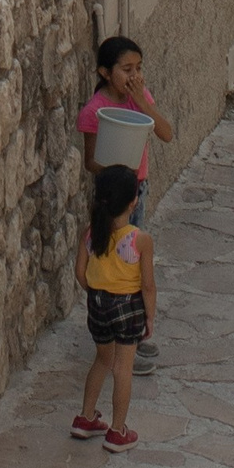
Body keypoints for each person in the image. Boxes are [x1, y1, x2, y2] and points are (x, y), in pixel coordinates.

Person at [78, 36, 173, 372]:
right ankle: (117, 332)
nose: (134, 75)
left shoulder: (140, 100)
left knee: (133, 259)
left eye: (138, 69)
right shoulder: (95, 111)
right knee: (115, 260)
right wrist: (117, 167)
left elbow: (166, 133)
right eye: (126, 69)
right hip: (111, 195)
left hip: (137, 191)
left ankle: (132, 332)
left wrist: (143, 103)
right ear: (105, 72)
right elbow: (90, 161)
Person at [72, 162, 153, 450]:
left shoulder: (91, 233)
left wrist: (96, 295)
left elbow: (80, 272)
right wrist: (150, 317)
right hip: (127, 308)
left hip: (97, 303)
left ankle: (85, 417)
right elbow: (147, 285)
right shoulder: (140, 240)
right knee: (123, 368)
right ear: (134, 201)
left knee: (102, 359)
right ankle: (118, 431)